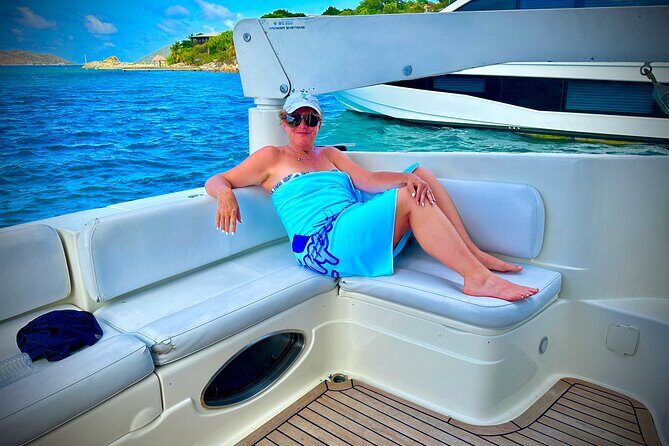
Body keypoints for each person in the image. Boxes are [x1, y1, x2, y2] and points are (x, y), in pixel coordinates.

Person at [205, 91, 539, 302]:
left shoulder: (330, 154)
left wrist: (407, 177)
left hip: (351, 223)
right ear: (284, 122)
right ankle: (477, 279)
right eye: (295, 118)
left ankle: (476, 255)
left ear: (319, 124)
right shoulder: (271, 157)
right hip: (321, 243)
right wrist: (225, 194)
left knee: (420, 175)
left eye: (310, 119)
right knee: (409, 195)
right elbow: (218, 180)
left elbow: (368, 180)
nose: (302, 125)